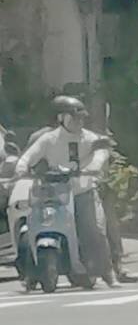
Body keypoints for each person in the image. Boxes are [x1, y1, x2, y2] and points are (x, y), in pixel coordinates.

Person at [15, 96, 115, 285]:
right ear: (61, 118)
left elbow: (101, 154)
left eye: (81, 118)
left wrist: (93, 167)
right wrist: (21, 168)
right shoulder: (48, 139)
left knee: (94, 230)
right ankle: (31, 275)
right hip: (54, 194)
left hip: (82, 192)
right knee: (32, 226)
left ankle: (108, 273)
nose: (79, 121)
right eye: (73, 117)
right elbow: (29, 156)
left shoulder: (91, 138)